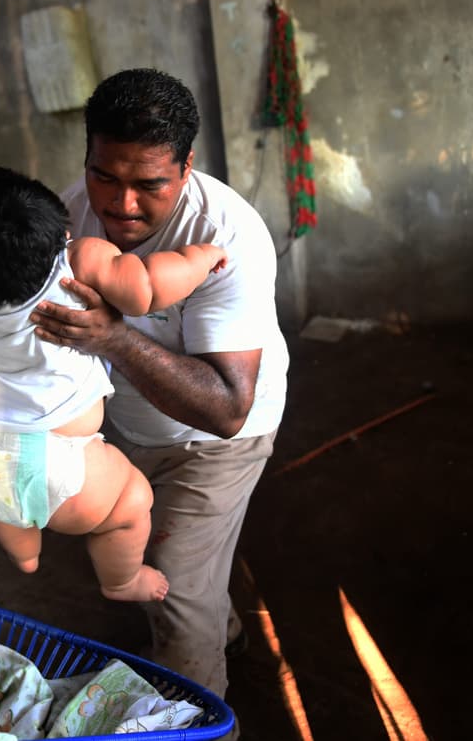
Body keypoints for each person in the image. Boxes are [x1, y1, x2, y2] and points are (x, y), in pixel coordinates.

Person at [29, 68, 290, 698]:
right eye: (104, 176)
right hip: (133, 426)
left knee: (169, 586)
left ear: (187, 166)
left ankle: (200, 723)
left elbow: (228, 406)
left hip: (223, 438)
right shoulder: (69, 214)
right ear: (87, 154)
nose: (120, 205)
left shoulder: (226, 237)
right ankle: (223, 631)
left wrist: (111, 336)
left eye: (150, 185)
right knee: (152, 557)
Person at [0, 166, 228, 603]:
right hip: (52, 458)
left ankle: (26, 554)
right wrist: (203, 258)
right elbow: (148, 285)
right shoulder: (78, 262)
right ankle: (122, 582)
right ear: (60, 230)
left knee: (12, 511)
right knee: (130, 503)